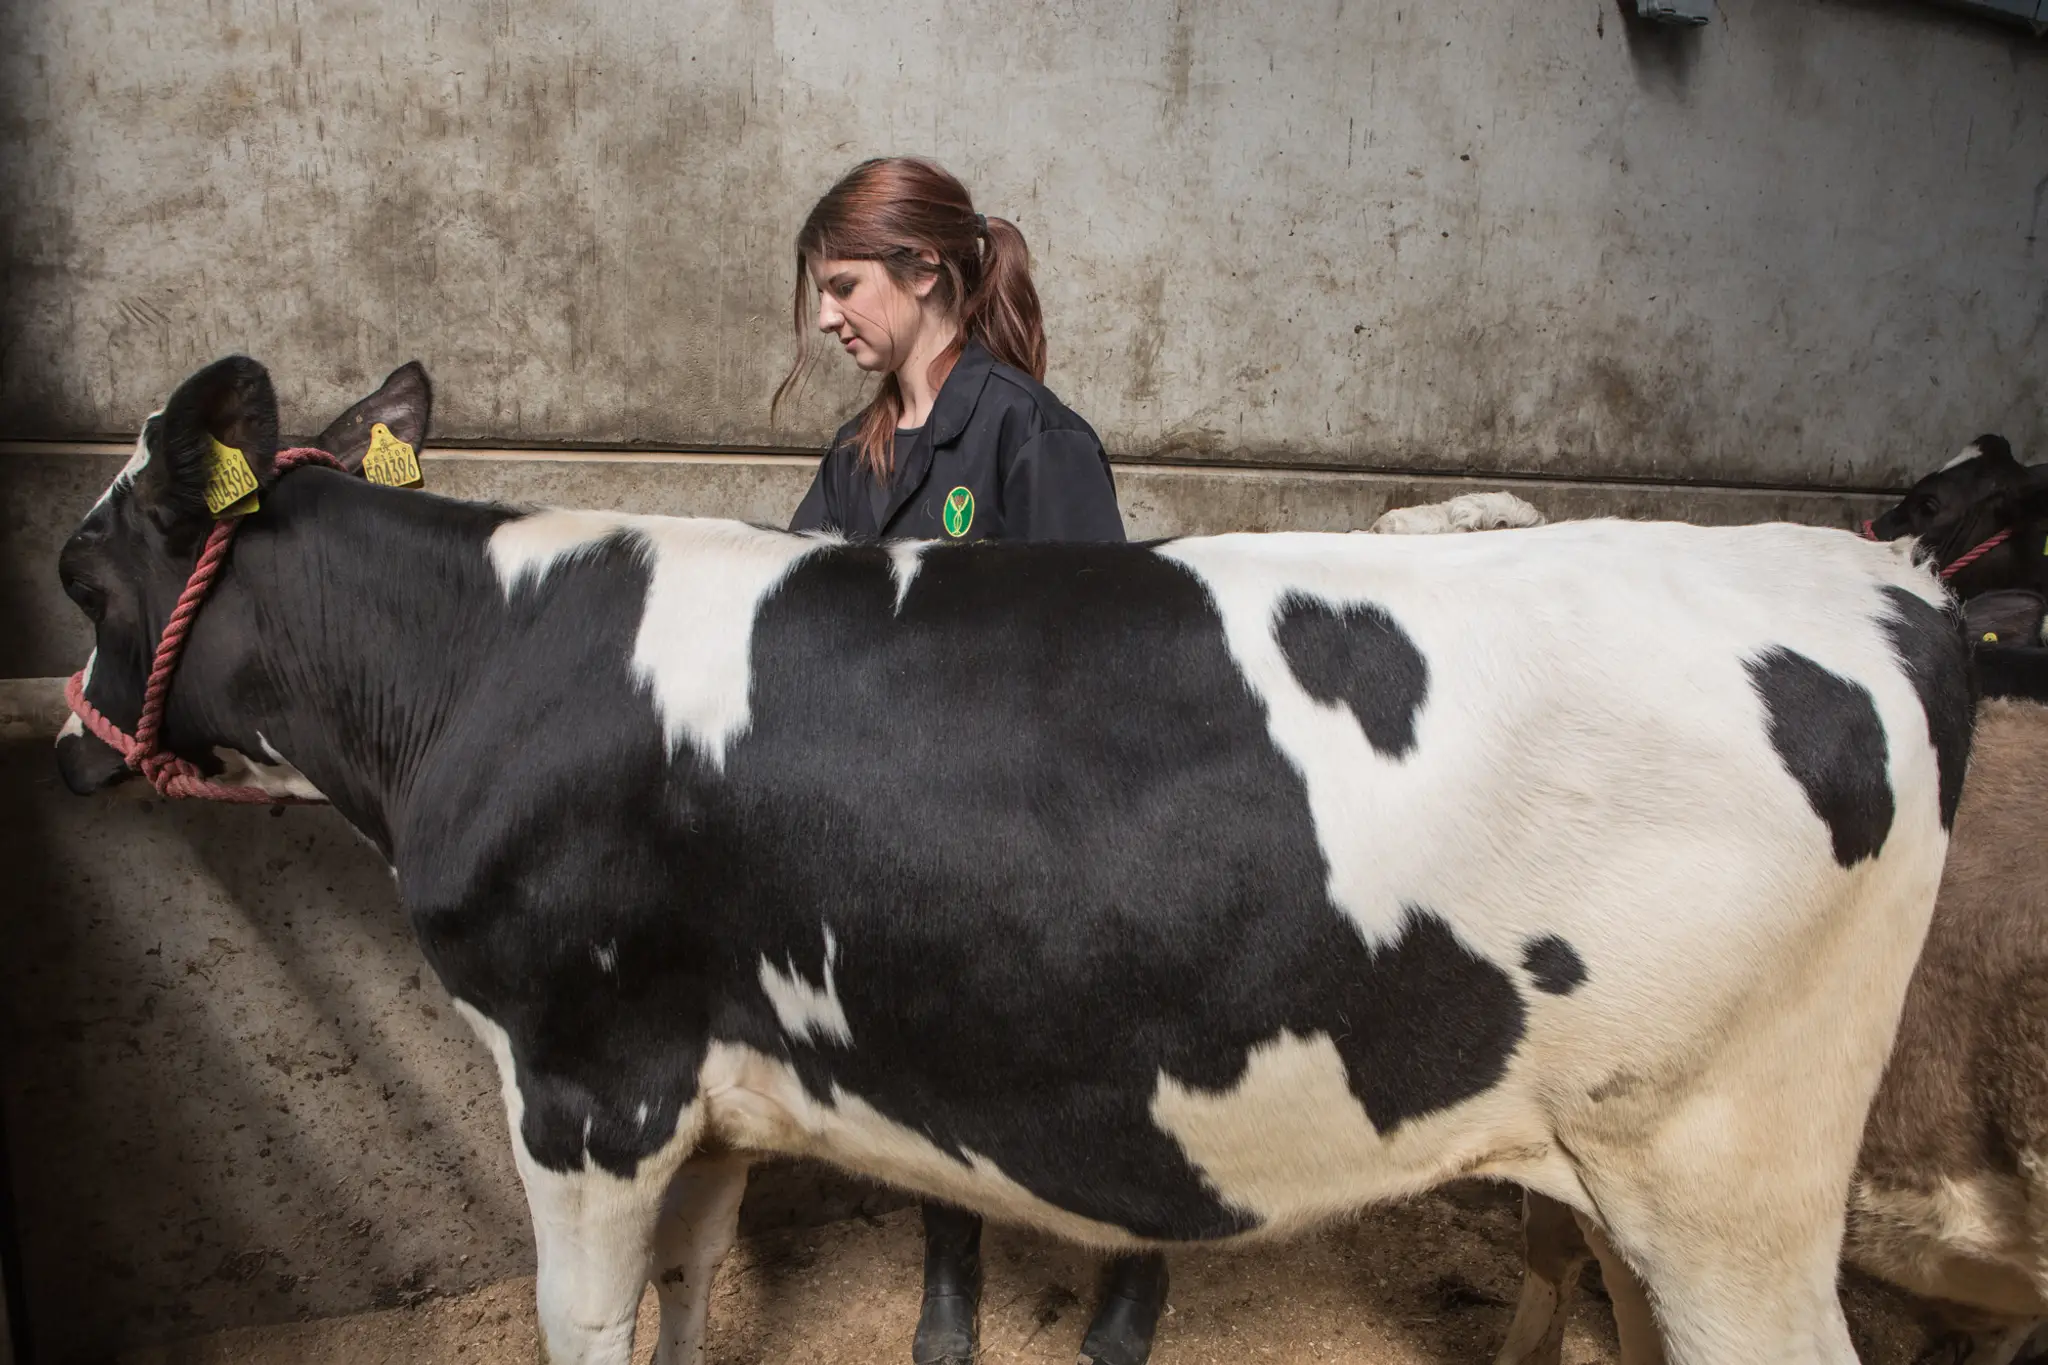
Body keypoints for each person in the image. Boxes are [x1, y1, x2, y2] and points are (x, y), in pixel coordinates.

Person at [778, 156, 1167, 1365]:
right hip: (904, 824)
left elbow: (1102, 662)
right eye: (820, 292)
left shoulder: (1031, 437)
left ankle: (1130, 1271)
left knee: (1094, 1053)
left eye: (843, 286)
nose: (826, 316)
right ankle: (949, 1277)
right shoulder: (856, 457)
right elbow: (789, 613)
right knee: (929, 1050)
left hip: (1043, 823)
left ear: (925, 271)